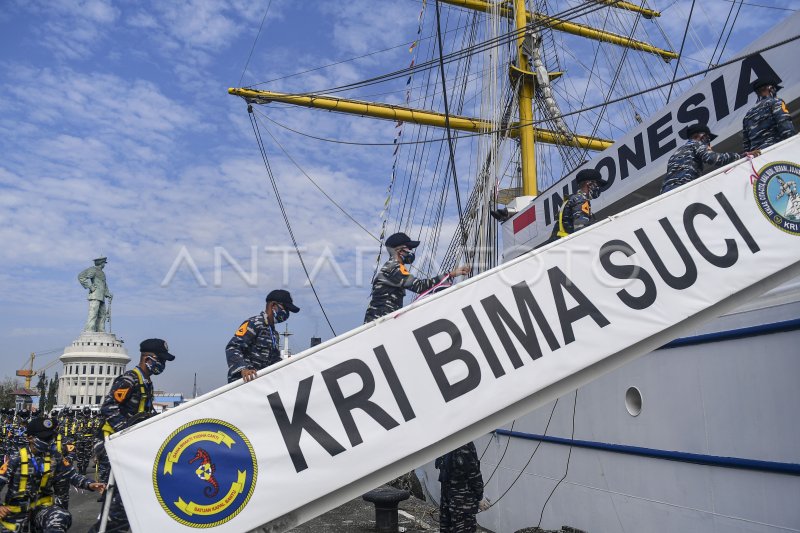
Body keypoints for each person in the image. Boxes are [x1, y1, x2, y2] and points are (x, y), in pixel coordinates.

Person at [89, 338, 175, 533]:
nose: (163, 365)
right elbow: (108, 407)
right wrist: (125, 432)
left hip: (127, 445)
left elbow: (143, 412)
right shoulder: (129, 379)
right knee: (116, 502)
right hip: (111, 445)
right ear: (149, 358)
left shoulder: (146, 382)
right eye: (161, 360)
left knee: (126, 502)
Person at [0, 417, 104, 533]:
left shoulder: (55, 456)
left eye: (50, 437)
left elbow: (72, 475)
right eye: (45, 438)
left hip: (42, 510)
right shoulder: (16, 459)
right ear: (30, 438)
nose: (49, 441)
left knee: (60, 517)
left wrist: (90, 484)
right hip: (15, 513)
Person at [364, 232, 470, 323]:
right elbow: (420, 286)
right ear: (400, 251)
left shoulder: (392, 267)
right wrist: (450, 274)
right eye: (409, 249)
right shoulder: (393, 268)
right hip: (380, 323)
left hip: (381, 320)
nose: (411, 252)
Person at [660, 124, 760, 194]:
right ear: (698, 136)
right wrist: (741, 156)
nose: (708, 142)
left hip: (666, 193)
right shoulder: (696, 144)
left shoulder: (675, 153)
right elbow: (714, 159)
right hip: (683, 191)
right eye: (707, 138)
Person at [226, 290, 300, 383]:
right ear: (273, 306)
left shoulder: (274, 334)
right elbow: (233, 347)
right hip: (244, 382)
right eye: (285, 309)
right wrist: (243, 369)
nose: (287, 313)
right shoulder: (254, 323)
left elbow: (273, 360)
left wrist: (287, 364)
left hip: (261, 382)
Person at [435, 441, 488, 533]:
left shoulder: (445, 442)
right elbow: (474, 474)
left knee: (446, 528)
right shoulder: (464, 444)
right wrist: (480, 497)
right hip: (462, 501)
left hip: (446, 496)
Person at [742, 77, 796, 152]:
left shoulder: (747, 116)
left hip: (760, 159)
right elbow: (787, 130)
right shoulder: (776, 102)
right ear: (771, 88)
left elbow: (747, 148)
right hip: (779, 152)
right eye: (775, 90)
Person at [555, 168, 605, 238]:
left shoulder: (573, 199)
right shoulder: (580, 200)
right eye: (598, 184)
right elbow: (581, 232)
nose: (599, 188)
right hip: (566, 246)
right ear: (589, 184)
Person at [78, 256, 113, 332]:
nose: (104, 265)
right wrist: (90, 286)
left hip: (102, 296)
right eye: (104, 263)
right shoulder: (93, 270)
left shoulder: (102, 273)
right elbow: (81, 277)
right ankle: (89, 329)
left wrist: (108, 294)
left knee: (102, 314)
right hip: (95, 295)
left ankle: (100, 329)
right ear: (101, 263)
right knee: (93, 313)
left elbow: (104, 284)